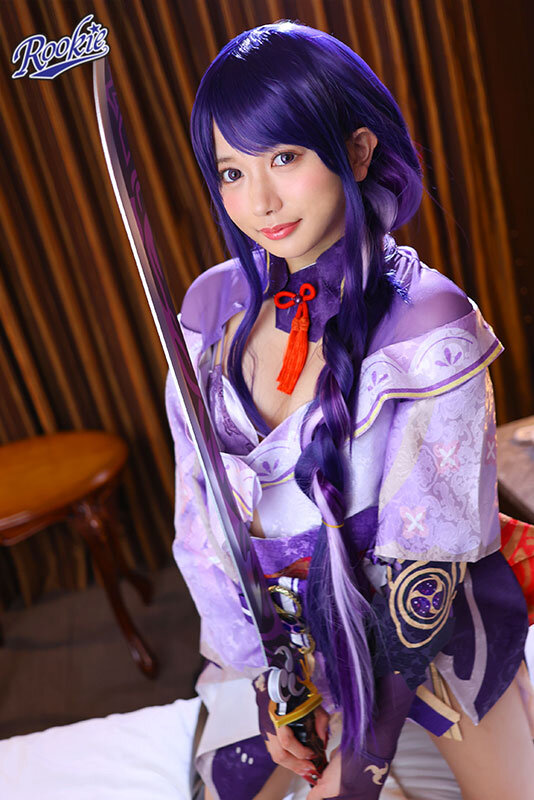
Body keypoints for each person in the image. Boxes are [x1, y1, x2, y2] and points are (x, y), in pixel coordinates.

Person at [164, 20, 534, 800]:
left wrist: (363, 758)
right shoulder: (207, 310)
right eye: (231, 171)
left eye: (284, 158)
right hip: (287, 642)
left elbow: (426, 570)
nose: (258, 201)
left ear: (358, 151)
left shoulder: (431, 325)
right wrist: (271, 686)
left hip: (426, 639)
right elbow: (202, 527)